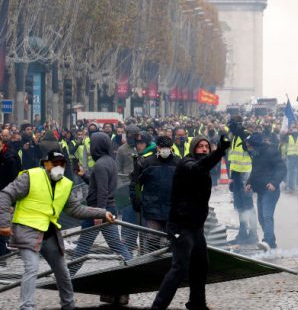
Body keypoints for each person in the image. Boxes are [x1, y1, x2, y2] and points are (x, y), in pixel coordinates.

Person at [0, 151, 115, 310]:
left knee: (63, 272)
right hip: (27, 230)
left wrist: (102, 213)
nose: (59, 167)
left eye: (62, 164)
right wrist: (4, 223)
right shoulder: (30, 177)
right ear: (47, 164)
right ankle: (27, 307)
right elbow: (5, 195)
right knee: (32, 268)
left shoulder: (65, 184)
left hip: (49, 233)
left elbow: (77, 209)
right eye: (55, 164)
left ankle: (68, 305)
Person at [151, 135, 231, 310]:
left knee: (201, 264)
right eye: (200, 146)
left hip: (196, 226)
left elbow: (204, 167)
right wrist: (219, 152)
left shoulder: (203, 167)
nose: (203, 149)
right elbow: (198, 168)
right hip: (180, 225)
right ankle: (157, 307)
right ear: (193, 148)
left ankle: (196, 303)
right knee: (180, 267)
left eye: (206, 146)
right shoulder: (187, 164)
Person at [69, 132, 132, 275]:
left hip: (97, 210)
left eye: (92, 143)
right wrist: (83, 175)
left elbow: (102, 191)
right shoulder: (110, 161)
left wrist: (99, 212)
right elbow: (96, 184)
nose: (90, 146)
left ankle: (67, 275)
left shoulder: (100, 164)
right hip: (108, 208)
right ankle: (131, 264)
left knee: (83, 245)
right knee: (115, 244)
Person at [135, 135, 180, 252]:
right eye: (162, 147)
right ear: (158, 147)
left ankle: (171, 264)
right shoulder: (147, 163)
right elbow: (136, 183)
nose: (165, 149)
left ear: (171, 147)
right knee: (152, 240)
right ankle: (153, 262)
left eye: (168, 147)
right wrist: (136, 198)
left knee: (173, 239)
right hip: (152, 208)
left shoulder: (178, 162)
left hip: (172, 209)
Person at [246, 133, 287, 250]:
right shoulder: (256, 154)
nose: (248, 148)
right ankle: (272, 244)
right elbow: (255, 171)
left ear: (255, 145)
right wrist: (249, 182)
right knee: (261, 218)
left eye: (249, 146)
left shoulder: (271, 152)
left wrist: (274, 182)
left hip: (271, 190)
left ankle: (268, 241)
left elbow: (282, 168)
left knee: (267, 215)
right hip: (260, 189)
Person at [226, 116, 256, 245]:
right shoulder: (233, 138)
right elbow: (233, 159)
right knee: (240, 205)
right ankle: (243, 233)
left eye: (232, 125)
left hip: (246, 175)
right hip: (237, 176)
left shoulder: (246, 136)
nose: (230, 128)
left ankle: (253, 234)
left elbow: (253, 152)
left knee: (248, 205)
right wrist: (232, 178)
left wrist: (244, 136)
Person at [0, 135, 22, 256]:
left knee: (3, 221)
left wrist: (11, 200)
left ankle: (2, 250)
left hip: (6, 195)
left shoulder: (10, 158)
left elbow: (14, 180)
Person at [284, 124, 298, 193]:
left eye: (296, 128)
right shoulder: (289, 136)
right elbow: (282, 138)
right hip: (291, 157)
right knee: (291, 173)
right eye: (293, 128)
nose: (295, 129)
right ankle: (291, 187)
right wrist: (287, 132)